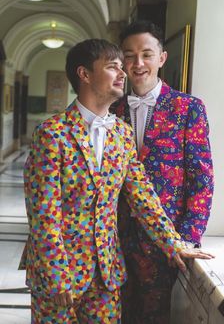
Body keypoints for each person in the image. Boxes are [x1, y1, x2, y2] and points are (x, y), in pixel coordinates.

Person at [24, 38, 214, 324]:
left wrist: (174, 243)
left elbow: (143, 196)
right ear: (84, 74)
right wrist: (56, 273)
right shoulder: (52, 134)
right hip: (59, 278)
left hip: (107, 275)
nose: (123, 73)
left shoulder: (122, 135)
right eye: (113, 67)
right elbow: (43, 213)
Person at [112, 20, 214, 324]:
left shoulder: (188, 108)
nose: (138, 63)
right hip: (114, 241)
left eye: (146, 54)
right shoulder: (111, 110)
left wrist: (186, 238)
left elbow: (202, 179)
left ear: (162, 58)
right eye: (129, 56)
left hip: (164, 244)